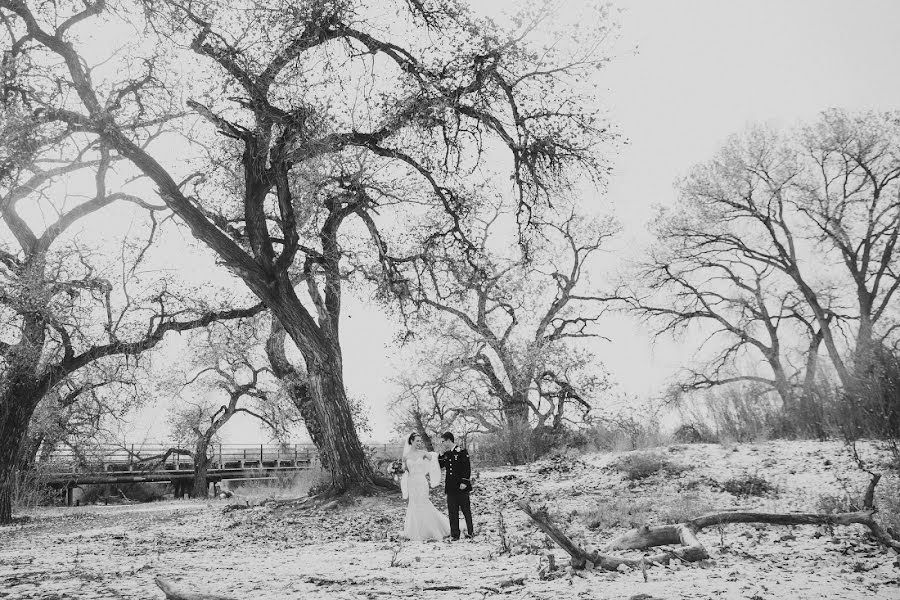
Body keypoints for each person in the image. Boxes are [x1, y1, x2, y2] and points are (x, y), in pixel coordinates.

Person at [400, 432, 451, 541]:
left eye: (420, 441)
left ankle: (432, 529)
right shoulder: (405, 456)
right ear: (411, 441)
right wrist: (396, 470)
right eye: (417, 441)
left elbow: (435, 460)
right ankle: (415, 531)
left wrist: (442, 452)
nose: (419, 443)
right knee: (414, 504)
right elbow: (404, 469)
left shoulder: (423, 453)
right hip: (411, 482)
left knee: (424, 502)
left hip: (422, 481)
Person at [438, 432, 474, 540]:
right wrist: (440, 454)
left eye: (443, 441)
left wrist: (464, 482)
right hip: (451, 487)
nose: (442, 444)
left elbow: (466, 468)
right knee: (452, 511)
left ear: (449, 440)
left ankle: (470, 532)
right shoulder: (447, 453)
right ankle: (455, 534)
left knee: (466, 510)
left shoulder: (461, 451)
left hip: (461, 487)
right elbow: (441, 465)